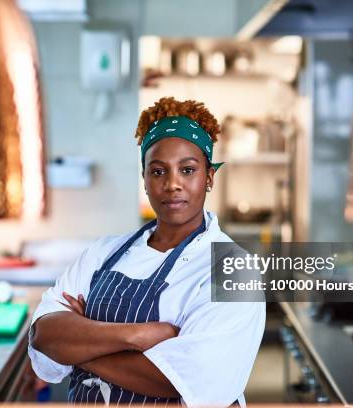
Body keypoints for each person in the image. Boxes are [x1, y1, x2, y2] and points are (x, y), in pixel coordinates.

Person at [28, 97, 265, 406]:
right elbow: (43, 336)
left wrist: (80, 350)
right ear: (144, 179)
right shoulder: (103, 252)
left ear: (209, 178)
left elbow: (186, 378)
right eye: (158, 172)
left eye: (188, 170)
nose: (172, 184)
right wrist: (136, 336)